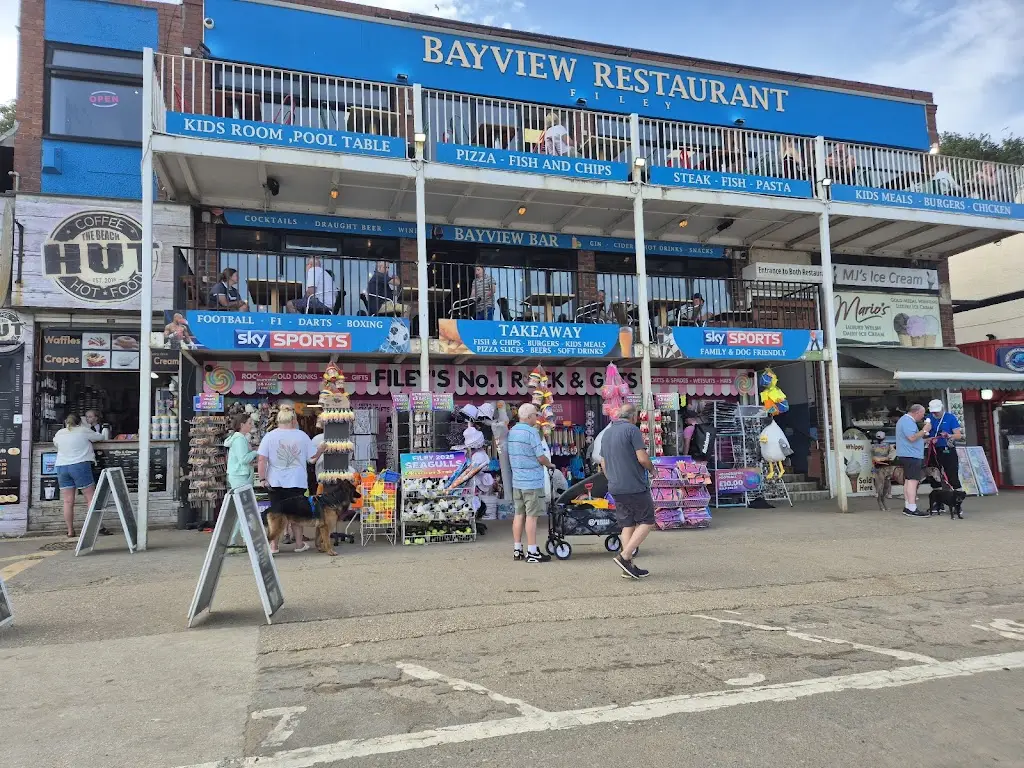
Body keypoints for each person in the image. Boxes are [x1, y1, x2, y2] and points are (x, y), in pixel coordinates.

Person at [257, 408, 326, 554]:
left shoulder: (269, 436)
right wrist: (320, 449)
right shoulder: (302, 436)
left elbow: (262, 459)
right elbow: (312, 459)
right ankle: (299, 544)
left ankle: (274, 546)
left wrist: (262, 478)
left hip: (275, 482)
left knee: (277, 514)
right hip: (297, 481)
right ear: (293, 420)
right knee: (297, 514)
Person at [600, 403, 656, 579]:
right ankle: (625, 557)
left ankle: (628, 566)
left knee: (627, 525)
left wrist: (612, 479)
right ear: (634, 417)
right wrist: (652, 469)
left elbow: (602, 462)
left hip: (616, 486)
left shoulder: (607, 432)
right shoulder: (632, 430)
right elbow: (642, 458)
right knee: (647, 521)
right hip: (634, 485)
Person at [508, 403, 556, 563]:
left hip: (517, 481)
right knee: (532, 516)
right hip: (532, 482)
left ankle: (517, 549)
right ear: (528, 417)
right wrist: (549, 464)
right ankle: (532, 551)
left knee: (518, 514)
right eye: (535, 414)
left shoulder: (512, 431)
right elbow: (540, 457)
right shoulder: (532, 432)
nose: (537, 417)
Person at [53, 413, 105, 537]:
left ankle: (70, 531)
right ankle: (95, 528)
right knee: (90, 498)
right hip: (79, 466)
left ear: (66, 422)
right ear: (80, 422)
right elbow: (101, 437)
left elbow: (56, 444)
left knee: (67, 501)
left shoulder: (59, 433)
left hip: (62, 467)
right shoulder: (84, 430)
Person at [224, 413, 259, 547]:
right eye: (249, 423)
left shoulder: (237, 438)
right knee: (244, 509)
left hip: (238, 475)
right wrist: (256, 451)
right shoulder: (240, 439)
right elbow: (244, 459)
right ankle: (241, 539)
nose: (251, 425)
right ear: (242, 425)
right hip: (240, 475)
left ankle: (236, 540)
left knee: (242, 509)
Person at [894, 404, 932, 518]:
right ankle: (912, 507)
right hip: (911, 455)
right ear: (917, 412)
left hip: (907, 454)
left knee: (908, 480)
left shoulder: (904, 421)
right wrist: (925, 430)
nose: (923, 417)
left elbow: (913, 438)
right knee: (913, 481)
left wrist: (925, 440)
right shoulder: (907, 421)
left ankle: (908, 506)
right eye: (922, 414)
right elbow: (912, 438)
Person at [925, 398, 963, 490]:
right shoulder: (929, 418)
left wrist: (949, 435)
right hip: (933, 449)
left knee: (952, 473)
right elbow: (925, 433)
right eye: (933, 412)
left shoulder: (950, 417)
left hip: (947, 448)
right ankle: (937, 498)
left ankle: (957, 495)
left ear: (942, 408)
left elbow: (958, 435)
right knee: (933, 474)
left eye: (937, 411)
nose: (935, 414)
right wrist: (928, 438)